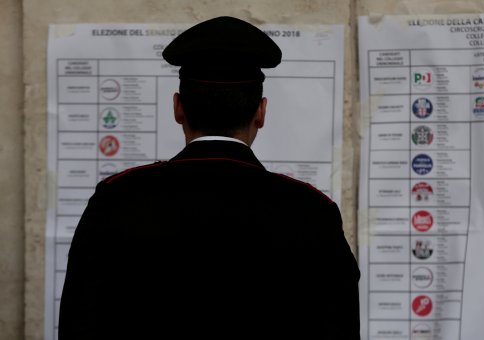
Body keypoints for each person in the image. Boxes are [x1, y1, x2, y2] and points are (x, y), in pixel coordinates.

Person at [58, 16, 360, 339]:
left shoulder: (116, 201)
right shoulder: (312, 213)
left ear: (178, 109)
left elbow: (80, 325)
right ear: (261, 112)